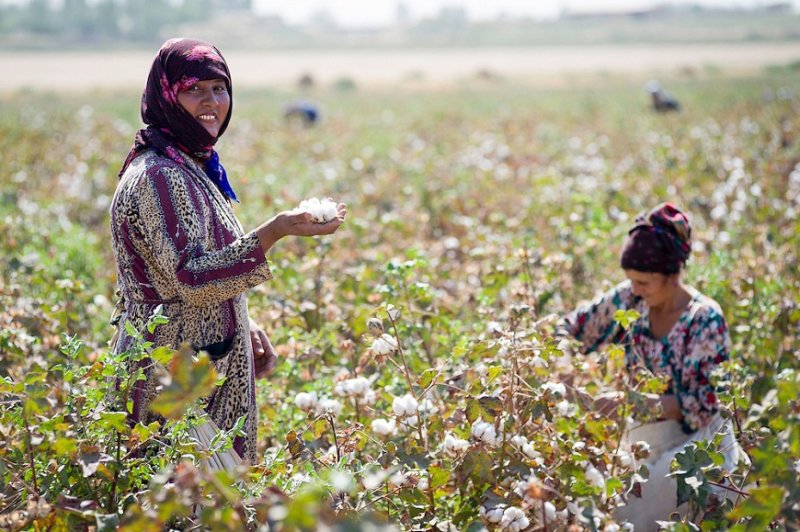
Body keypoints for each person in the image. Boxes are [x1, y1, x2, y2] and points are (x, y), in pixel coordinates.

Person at [109, 37, 346, 464]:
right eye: (194, 89)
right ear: (166, 96)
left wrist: (243, 323)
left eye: (219, 88)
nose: (211, 101)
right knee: (174, 504)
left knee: (210, 508)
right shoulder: (158, 176)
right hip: (170, 374)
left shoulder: (189, 164)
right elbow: (190, 278)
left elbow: (192, 268)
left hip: (202, 365)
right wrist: (275, 231)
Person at [557, 202, 746, 530]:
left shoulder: (703, 319)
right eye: (630, 280)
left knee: (646, 504)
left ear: (672, 274)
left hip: (700, 447)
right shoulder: (630, 299)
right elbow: (572, 326)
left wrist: (633, 404)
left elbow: (702, 406)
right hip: (647, 436)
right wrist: (560, 366)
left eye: (644, 282)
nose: (635, 289)